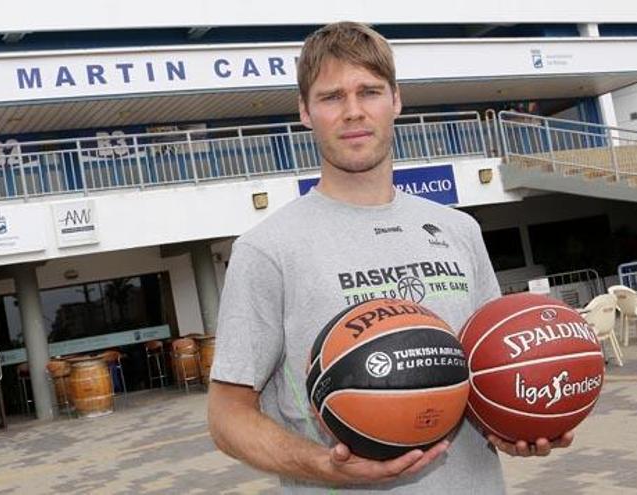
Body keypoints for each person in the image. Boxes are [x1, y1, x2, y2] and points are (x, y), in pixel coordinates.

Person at [207, 21, 573, 493]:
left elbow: (485, 377)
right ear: (304, 111)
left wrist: (516, 421)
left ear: (396, 100)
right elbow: (226, 415)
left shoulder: (458, 231)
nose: (353, 112)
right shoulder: (266, 249)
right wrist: (324, 464)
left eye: (370, 91)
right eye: (331, 97)